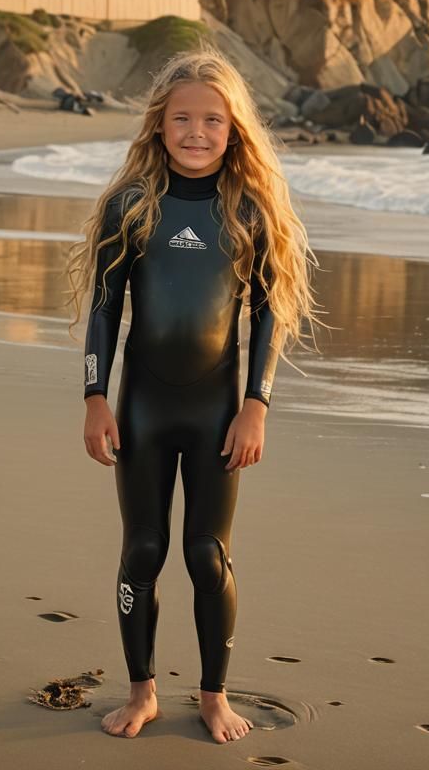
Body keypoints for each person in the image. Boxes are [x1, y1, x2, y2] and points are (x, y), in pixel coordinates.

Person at [66, 47, 324, 743]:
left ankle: (214, 694)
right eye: (183, 118)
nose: (197, 131)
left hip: (217, 411)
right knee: (143, 551)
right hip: (142, 407)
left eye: (213, 119)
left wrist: (256, 405)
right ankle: (142, 690)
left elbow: (271, 315)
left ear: (235, 130)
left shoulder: (249, 210)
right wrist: (94, 396)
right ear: (159, 125)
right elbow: (103, 308)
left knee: (207, 555)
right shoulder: (131, 206)